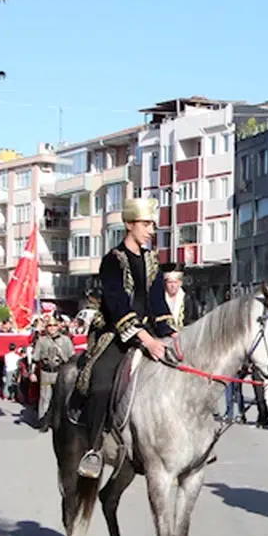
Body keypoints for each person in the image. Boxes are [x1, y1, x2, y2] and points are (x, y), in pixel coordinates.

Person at [66, 196, 178, 478]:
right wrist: (146, 340)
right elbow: (117, 305)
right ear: (129, 224)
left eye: (152, 225)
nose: (151, 230)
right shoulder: (112, 260)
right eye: (145, 224)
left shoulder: (152, 260)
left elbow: (158, 303)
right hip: (116, 333)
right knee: (101, 383)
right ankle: (93, 449)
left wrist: (172, 332)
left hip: (150, 332)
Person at [33, 317, 74, 431]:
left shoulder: (65, 340)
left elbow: (72, 357)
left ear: (58, 327)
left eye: (54, 325)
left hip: (60, 371)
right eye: (49, 326)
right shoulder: (42, 340)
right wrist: (32, 373)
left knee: (61, 398)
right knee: (45, 398)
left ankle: (59, 421)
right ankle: (43, 422)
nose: (52, 328)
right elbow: (35, 358)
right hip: (46, 372)